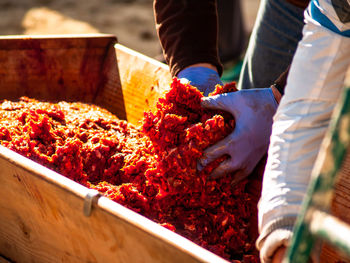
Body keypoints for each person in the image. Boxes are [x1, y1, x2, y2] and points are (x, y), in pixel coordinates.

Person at [154, 0, 350, 262]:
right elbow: (306, 108)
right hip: (315, 11)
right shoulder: (333, 10)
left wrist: (277, 101)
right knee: (250, 163)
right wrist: (193, 66)